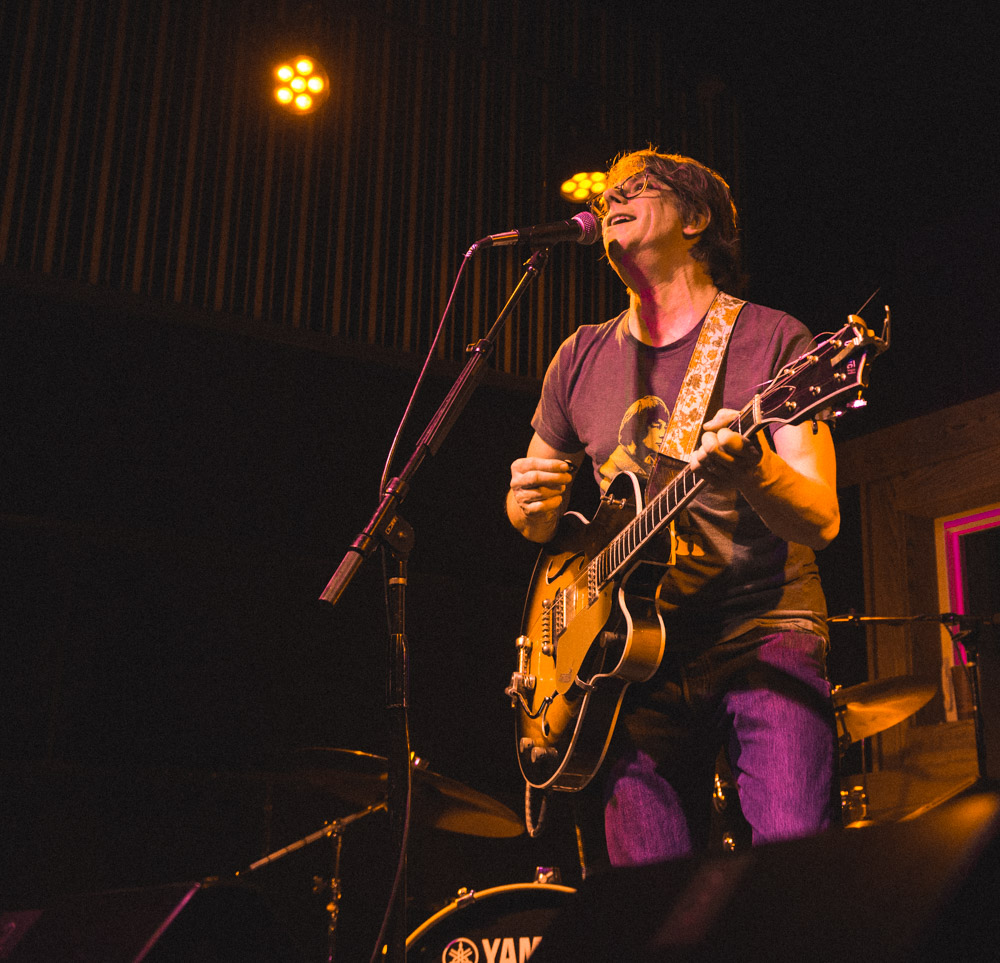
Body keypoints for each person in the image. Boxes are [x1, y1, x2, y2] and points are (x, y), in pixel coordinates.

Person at [505, 148, 839, 866]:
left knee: (793, 872)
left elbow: (822, 518)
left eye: (638, 186)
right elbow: (535, 517)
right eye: (609, 187)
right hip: (625, 660)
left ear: (695, 219)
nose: (612, 195)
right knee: (648, 906)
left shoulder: (775, 340)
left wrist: (755, 473)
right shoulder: (579, 355)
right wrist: (525, 503)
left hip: (762, 625)